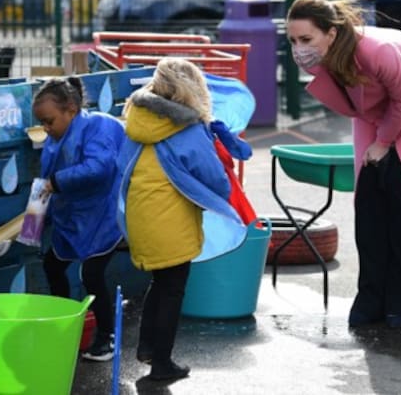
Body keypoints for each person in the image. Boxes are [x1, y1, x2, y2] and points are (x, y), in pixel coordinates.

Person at [285, 0, 401, 328]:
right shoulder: (329, 55)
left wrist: (384, 142)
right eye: (293, 40)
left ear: (331, 33)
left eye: (306, 39)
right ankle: (371, 303)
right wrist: (377, 140)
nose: (299, 48)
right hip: (373, 108)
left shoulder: (376, 50)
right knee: (368, 205)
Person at [118, 58, 244, 381]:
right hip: (171, 221)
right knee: (173, 289)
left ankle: (147, 346)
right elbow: (214, 178)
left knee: (159, 283)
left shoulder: (137, 118)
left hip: (141, 215)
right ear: (193, 90)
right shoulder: (187, 128)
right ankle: (162, 363)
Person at [32, 77, 126, 362]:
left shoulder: (100, 125)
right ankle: (65, 325)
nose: (46, 129)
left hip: (104, 214)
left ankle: (107, 337)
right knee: (53, 265)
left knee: (92, 274)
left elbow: (100, 166)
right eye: (43, 123)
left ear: (71, 110)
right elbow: (48, 177)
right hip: (74, 216)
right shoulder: (56, 136)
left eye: (49, 121)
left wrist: (55, 183)